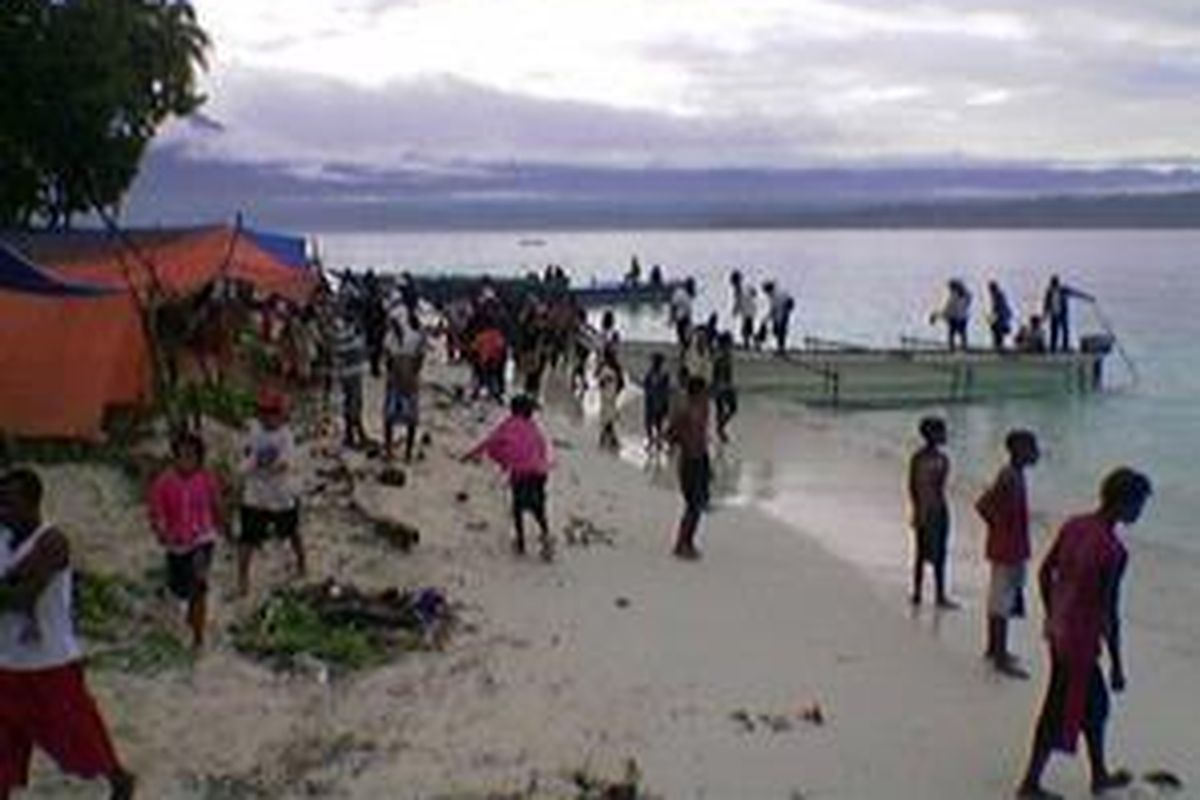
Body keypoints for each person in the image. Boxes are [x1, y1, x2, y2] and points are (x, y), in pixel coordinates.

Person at [1016, 468, 1152, 800]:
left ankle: (1099, 775)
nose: (1139, 513)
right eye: (1138, 505)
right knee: (1061, 709)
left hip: (1061, 632)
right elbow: (1109, 612)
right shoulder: (1112, 550)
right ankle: (1030, 784)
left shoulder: (1076, 525)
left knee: (1092, 706)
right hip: (1080, 641)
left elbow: (1046, 571)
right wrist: (1118, 663)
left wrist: (1053, 613)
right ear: (1123, 503)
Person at [0, 468, 136, 800]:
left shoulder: (52, 541)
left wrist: (12, 584)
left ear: (33, 504)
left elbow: (22, 599)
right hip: (6, 664)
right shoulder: (4, 539)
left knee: (81, 746)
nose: (3, 509)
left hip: (51, 664)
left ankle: (119, 780)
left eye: (9, 503)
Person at [148, 433, 224, 649]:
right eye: (181, 456)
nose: (186, 461)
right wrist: (161, 531)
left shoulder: (207, 479)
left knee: (199, 583)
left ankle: (199, 639)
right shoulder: (163, 482)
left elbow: (216, 504)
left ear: (199, 458)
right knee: (180, 589)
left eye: (191, 456)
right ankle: (189, 620)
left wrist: (222, 526)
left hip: (203, 538)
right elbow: (156, 511)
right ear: (174, 457)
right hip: (176, 544)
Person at [975, 430, 1039, 678]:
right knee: (1002, 602)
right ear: (1018, 450)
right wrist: (1000, 530)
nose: (1036, 452)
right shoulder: (1009, 477)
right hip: (1007, 549)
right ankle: (999, 656)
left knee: (1002, 600)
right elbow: (983, 504)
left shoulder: (1015, 475)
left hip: (1011, 547)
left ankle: (995, 648)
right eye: (1032, 448)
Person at [462, 395, 554, 561]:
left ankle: (520, 542)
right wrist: (543, 466)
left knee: (517, 507)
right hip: (539, 473)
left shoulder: (508, 425)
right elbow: (542, 447)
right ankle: (545, 534)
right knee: (539, 507)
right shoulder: (533, 427)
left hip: (520, 473)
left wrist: (471, 454)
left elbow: (490, 442)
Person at [236, 388, 306, 596]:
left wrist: (260, 465)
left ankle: (302, 562)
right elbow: (248, 453)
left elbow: (284, 464)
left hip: (280, 495)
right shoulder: (254, 430)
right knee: (247, 538)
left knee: (292, 532)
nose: (268, 417)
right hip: (255, 495)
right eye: (264, 412)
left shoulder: (286, 436)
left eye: (273, 412)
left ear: (281, 414)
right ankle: (242, 578)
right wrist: (251, 465)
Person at [907, 416, 959, 609]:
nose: (945, 435)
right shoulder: (934, 459)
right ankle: (928, 593)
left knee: (932, 553)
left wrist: (918, 507)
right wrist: (919, 509)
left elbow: (914, 486)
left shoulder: (929, 458)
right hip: (932, 510)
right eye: (941, 432)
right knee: (927, 553)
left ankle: (928, 594)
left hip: (933, 509)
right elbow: (917, 486)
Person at [668, 376, 711, 560]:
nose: (706, 395)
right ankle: (681, 543)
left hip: (701, 458)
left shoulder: (704, 409)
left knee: (698, 503)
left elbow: (702, 437)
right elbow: (671, 433)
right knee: (692, 504)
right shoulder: (684, 411)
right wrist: (681, 441)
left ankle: (688, 541)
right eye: (704, 392)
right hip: (688, 460)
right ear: (697, 393)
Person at [384, 307, 426, 462]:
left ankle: (406, 451)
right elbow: (389, 360)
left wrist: (411, 374)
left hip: (406, 379)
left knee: (408, 418)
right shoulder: (390, 337)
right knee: (392, 416)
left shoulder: (413, 337)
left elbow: (419, 358)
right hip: (398, 379)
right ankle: (392, 450)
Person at [331, 312, 368, 448]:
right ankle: (357, 433)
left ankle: (350, 435)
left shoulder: (339, 333)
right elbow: (358, 350)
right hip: (353, 375)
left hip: (344, 374)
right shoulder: (352, 335)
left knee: (349, 404)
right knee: (355, 404)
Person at [1042, 275, 1094, 353]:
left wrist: (1088, 297)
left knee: (1065, 331)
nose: (1054, 285)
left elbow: (1075, 293)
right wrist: (1045, 315)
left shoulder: (1063, 290)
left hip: (1062, 314)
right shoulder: (1049, 292)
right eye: (1053, 284)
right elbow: (1046, 304)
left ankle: (1065, 347)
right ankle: (1053, 348)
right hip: (1054, 314)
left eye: (1055, 283)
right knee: (1054, 332)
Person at [642, 353, 672, 452]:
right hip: (653, 402)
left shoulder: (662, 376)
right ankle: (653, 440)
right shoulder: (653, 375)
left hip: (657, 402)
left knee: (656, 423)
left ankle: (656, 441)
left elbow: (666, 390)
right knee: (651, 423)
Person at [930, 279, 972, 351]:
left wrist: (936, 315)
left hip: (955, 318)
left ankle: (953, 348)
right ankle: (964, 347)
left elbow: (948, 309)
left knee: (952, 334)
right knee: (962, 333)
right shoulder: (966, 295)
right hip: (963, 317)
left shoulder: (954, 296)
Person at [596, 347, 625, 450]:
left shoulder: (606, 367)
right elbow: (622, 384)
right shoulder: (615, 367)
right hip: (609, 394)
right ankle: (610, 439)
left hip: (607, 394)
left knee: (607, 416)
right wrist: (616, 392)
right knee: (608, 416)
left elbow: (599, 380)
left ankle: (606, 438)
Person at [712, 332, 738, 443]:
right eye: (730, 342)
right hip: (721, 387)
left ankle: (720, 428)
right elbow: (717, 373)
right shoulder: (721, 357)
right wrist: (721, 386)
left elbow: (728, 373)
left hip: (726, 386)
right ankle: (720, 430)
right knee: (723, 409)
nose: (731, 344)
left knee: (731, 408)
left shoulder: (726, 355)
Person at [762, 281, 795, 354]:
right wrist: (767, 319)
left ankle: (781, 349)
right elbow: (773, 309)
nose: (766, 294)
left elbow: (776, 308)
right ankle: (780, 347)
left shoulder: (776, 295)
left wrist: (768, 319)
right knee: (777, 331)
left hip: (783, 314)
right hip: (780, 314)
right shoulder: (773, 295)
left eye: (766, 291)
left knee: (781, 331)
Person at [731, 271, 758, 349]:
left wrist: (735, 311)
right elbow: (754, 293)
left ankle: (750, 344)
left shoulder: (741, 288)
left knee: (747, 330)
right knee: (748, 329)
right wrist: (735, 310)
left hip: (748, 311)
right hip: (748, 311)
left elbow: (738, 301)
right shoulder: (742, 288)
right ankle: (750, 343)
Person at [987, 280, 1014, 351]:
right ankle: (999, 348)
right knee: (998, 335)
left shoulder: (997, 296)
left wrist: (992, 319)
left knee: (998, 335)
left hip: (1000, 319)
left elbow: (997, 309)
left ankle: (999, 349)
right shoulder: (998, 295)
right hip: (1001, 318)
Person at [669, 278, 695, 346]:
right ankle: (683, 349)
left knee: (685, 336)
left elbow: (674, 306)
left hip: (685, 317)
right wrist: (671, 317)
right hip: (681, 318)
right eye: (691, 285)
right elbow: (673, 306)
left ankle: (683, 349)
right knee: (683, 336)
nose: (692, 287)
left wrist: (671, 318)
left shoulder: (687, 293)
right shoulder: (680, 293)